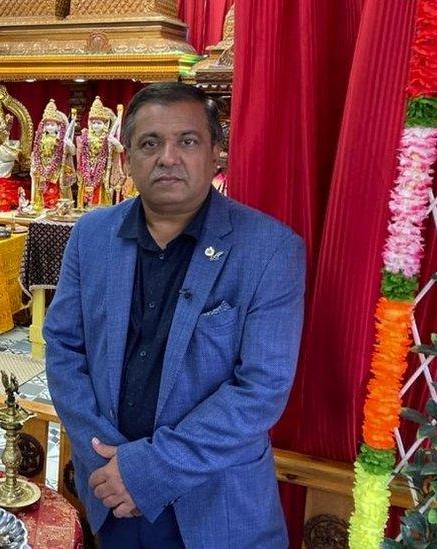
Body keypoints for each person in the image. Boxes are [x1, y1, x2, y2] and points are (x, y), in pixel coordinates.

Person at [44, 82, 305, 548]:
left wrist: (147, 470)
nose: (168, 157)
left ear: (215, 153)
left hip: (214, 504)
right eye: (149, 143)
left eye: (187, 141)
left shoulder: (270, 249)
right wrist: (105, 458)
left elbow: (261, 389)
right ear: (126, 160)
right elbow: (64, 347)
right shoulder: (92, 236)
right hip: (111, 494)